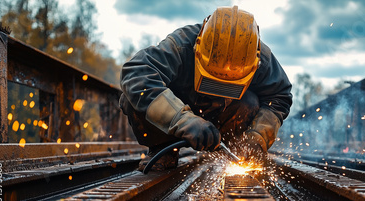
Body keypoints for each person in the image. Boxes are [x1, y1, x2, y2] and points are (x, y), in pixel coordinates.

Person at [119, 5, 292, 171]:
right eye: (214, 80)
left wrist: (257, 137)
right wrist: (182, 120)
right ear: (198, 48)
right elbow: (136, 73)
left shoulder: (261, 59)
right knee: (134, 96)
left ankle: (238, 153)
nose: (218, 87)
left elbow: (279, 97)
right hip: (177, 118)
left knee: (251, 102)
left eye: (227, 84)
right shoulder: (181, 45)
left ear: (254, 64)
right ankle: (163, 148)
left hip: (224, 120)